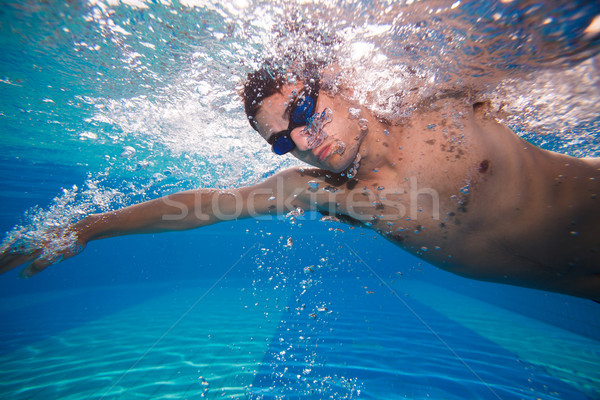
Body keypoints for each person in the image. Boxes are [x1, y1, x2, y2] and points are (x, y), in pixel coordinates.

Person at [1, 62, 599, 301]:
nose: (306, 138)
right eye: (285, 138)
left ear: (338, 85)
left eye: (306, 111)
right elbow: (208, 204)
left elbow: (537, 56)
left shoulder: (434, 104)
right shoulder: (318, 190)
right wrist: (85, 229)